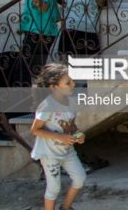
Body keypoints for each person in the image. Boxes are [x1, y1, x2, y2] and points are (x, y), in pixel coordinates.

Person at [30, 63, 86, 210]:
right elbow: (35, 130)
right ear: (54, 86)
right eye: (68, 82)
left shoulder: (71, 102)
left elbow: (71, 125)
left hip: (67, 152)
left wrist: (78, 134)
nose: (73, 84)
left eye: (72, 81)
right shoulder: (47, 106)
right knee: (54, 188)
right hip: (49, 154)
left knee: (80, 178)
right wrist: (60, 137)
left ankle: (66, 207)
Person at [15, 0, 62, 76]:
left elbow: (44, 6)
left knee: (26, 70)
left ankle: (28, 89)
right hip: (44, 33)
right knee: (34, 69)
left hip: (37, 33)